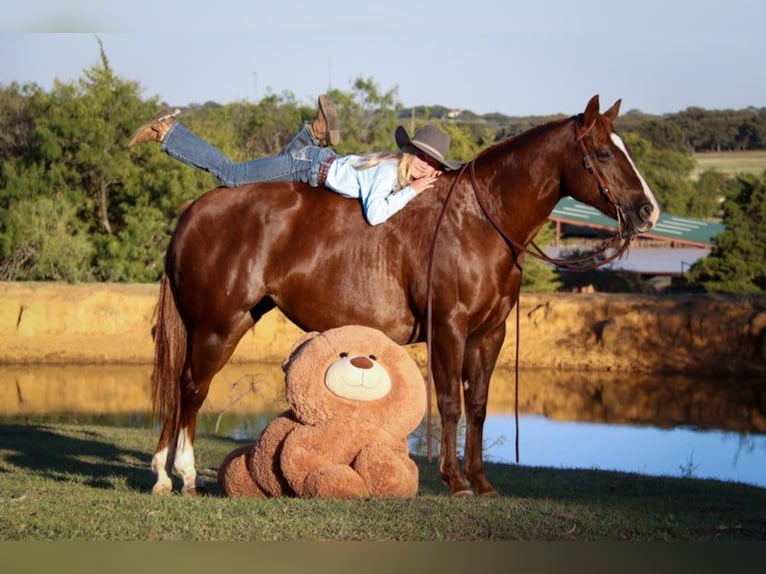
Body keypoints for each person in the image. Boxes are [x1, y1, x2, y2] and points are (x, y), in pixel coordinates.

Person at [128, 95, 462, 225]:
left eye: (433, 165)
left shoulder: (392, 168)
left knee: (282, 161)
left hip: (320, 160)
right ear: (409, 152)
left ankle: (315, 131)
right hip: (309, 166)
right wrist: (413, 191)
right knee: (232, 175)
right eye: (422, 157)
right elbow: (375, 216)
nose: (425, 167)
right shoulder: (390, 173)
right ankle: (167, 130)